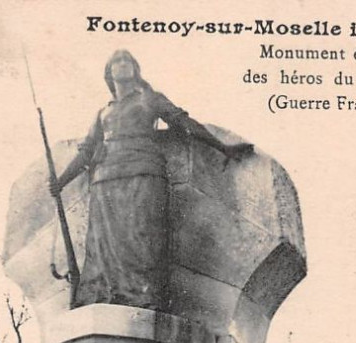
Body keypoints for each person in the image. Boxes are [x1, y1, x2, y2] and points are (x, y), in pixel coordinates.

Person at [54, 50, 253, 310]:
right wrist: (61, 182)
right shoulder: (103, 112)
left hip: (144, 172)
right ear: (109, 71)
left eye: (127, 60)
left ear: (136, 69)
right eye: (117, 61)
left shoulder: (150, 99)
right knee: (104, 247)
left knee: (144, 237)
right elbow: (87, 151)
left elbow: (185, 124)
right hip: (106, 179)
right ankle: (105, 296)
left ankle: (145, 297)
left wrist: (222, 147)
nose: (123, 64)